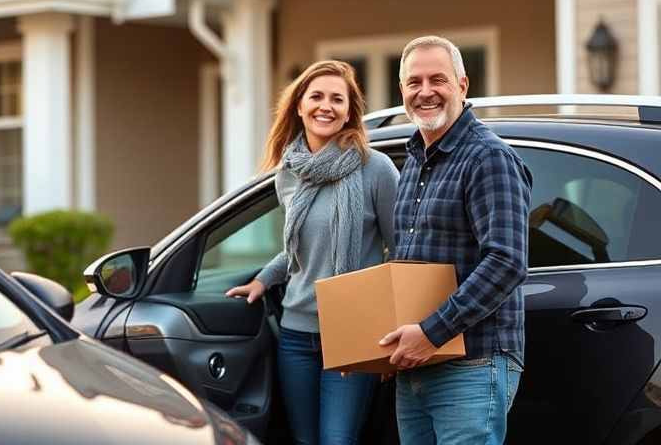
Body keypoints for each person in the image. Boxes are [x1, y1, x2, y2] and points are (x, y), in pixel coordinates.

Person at [225, 60, 400, 445]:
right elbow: (299, 247)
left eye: (338, 99)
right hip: (296, 333)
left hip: (355, 330)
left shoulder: (377, 170)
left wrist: (388, 332)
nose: (326, 106)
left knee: (337, 440)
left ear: (350, 111)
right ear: (299, 106)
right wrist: (263, 279)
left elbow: (402, 251)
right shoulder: (289, 173)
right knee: (304, 441)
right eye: (316, 96)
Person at [378, 36, 532, 444]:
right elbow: (409, 265)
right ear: (402, 91)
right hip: (416, 366)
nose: (425, 92)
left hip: (472, 363)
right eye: (414, 82)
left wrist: (431, 332)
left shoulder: (488, 157)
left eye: (437, 80)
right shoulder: (413, 163)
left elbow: (507, 262)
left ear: (462, 86)